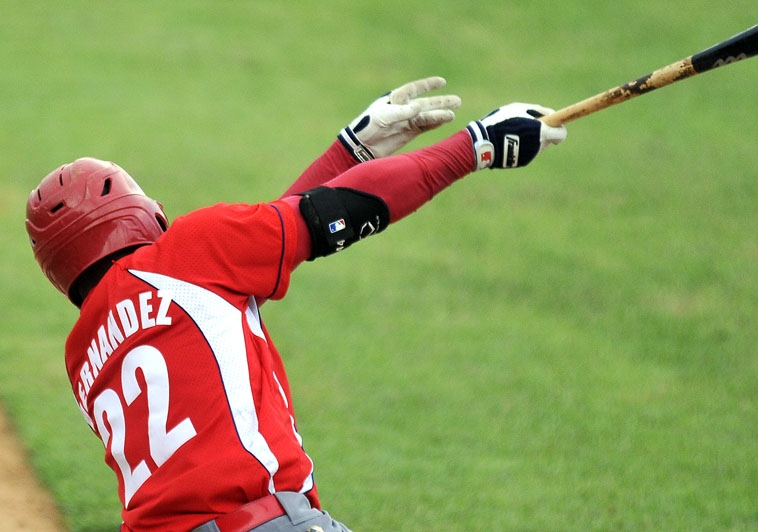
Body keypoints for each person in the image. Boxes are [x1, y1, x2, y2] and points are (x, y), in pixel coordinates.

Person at [25, 77, 566, 532]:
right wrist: (475, 146)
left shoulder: (84, 358)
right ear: (139, 213)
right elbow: (330, 214)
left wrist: (350, 153)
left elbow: (250, 254)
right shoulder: (185, 256)